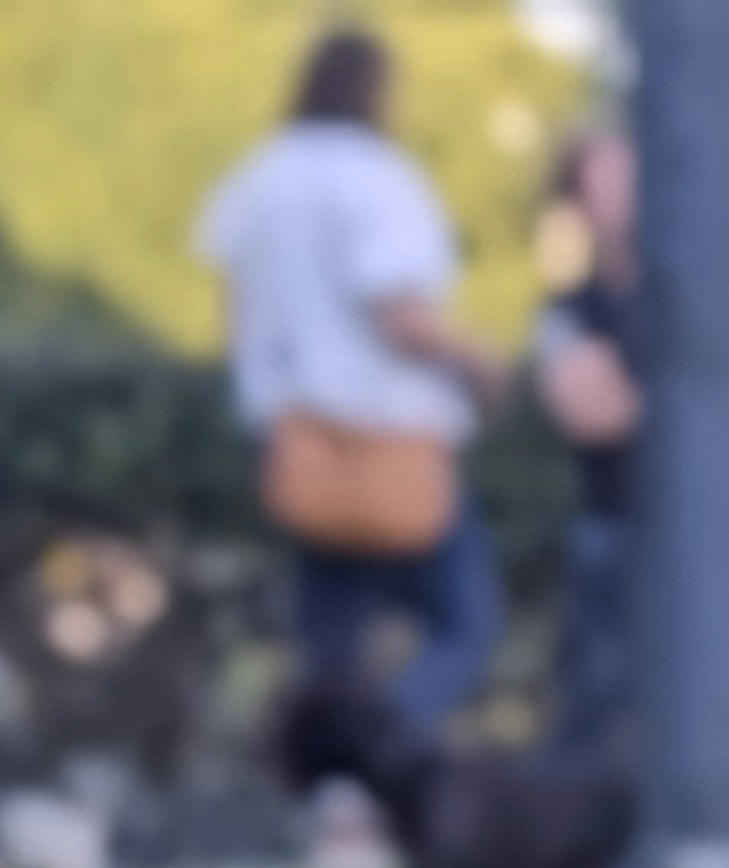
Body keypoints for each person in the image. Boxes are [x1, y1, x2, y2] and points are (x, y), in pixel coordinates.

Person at [197, 28, 506, 749]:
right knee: (466, 625)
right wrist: (479, 364)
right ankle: (379, 748)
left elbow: (236, 316)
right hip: (395, 440)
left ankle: (334, 783)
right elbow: (402, 317)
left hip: (301, 440)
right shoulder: (377, 177)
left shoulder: (259, 178)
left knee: (331, 641)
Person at [532, 126, 644, 761]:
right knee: (604, 703)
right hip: (619, 528)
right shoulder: (572, 311)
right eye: (603, 180)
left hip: (713, 538)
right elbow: (594, 414)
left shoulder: (706, 294)